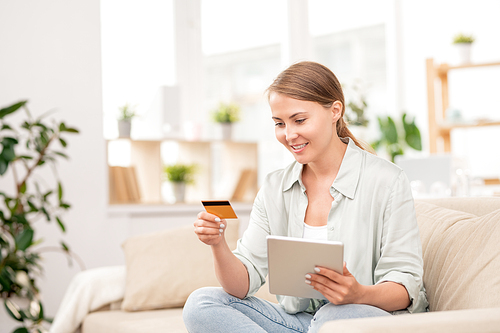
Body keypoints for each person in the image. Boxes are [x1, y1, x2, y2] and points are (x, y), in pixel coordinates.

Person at [183, 61, 428, 333]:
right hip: (300, 323)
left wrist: (357, 294)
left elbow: (405, 286)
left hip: (362, 318)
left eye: (299, 120)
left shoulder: (387, 181)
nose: (289, 135)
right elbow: (241, 284)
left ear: (335, 111)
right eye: (279, 123)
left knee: (333, 318)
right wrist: (218, 244)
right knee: (201, 303)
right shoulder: (275, 187)